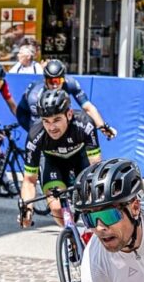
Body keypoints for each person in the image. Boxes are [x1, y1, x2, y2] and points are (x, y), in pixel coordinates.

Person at [18, 89, 101, 228]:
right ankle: (71, 234)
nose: (51, 127)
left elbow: (96, 166)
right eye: (46, 121)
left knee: (91, 201)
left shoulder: (85, 124)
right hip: (53, 162)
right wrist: (27, 209)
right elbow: (29, 180)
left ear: (69, 114)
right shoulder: (35, 136)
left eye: (56, 120)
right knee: (56, 208)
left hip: (79, 159)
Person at [16, 59, 116, 139]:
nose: (55, 85)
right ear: (45, 80)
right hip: (26, 116)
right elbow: (40, 126)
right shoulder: (35, 95)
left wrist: (103, 126)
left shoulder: (70, 83)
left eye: (58, 80)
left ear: (64, 79)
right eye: (51, 81)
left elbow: (88, 108)